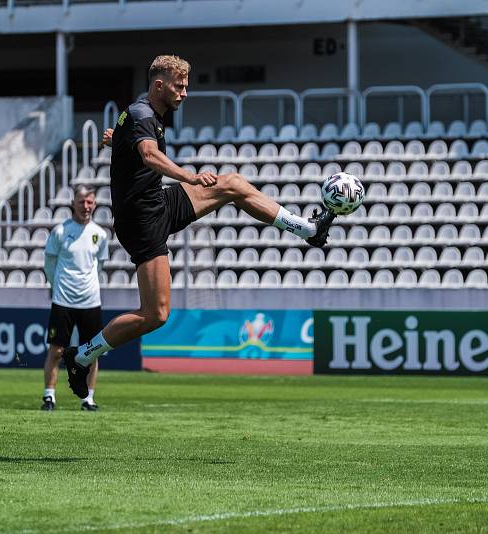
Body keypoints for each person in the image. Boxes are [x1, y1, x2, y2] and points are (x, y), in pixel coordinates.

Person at [61, 54, 336, 398]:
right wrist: (188, 175)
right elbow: (148, 155)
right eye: (179, 86)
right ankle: (81, 356)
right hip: (140, 221)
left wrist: (115, 139)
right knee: (156, 314)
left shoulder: (142, 115)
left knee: (232, 184)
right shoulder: (144, 113)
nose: (185, 93)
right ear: (159, 85)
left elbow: (133, 142)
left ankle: (306, 229)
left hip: (158, 203)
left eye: (187, 86)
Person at [42, 184, 109, 410]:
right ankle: (49, 396)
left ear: (95, 204)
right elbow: (49, 263)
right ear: (73, 204)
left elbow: (99, 266)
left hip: (90, 301)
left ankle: (87, 398)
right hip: (63, 300)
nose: (86, 206)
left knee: (92, 352)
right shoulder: (60, 231)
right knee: (57, 350)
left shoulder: (100, 235)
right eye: (81, 201)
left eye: (90, 202)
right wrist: (57, 287)